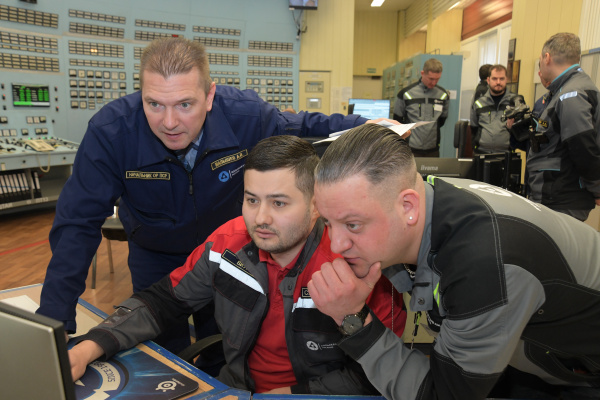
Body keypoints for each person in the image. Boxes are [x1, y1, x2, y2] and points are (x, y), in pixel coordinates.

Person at [37, 37, 386, 351]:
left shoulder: (245, 116)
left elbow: (307, 127)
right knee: (160, 348)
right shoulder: (111, 133)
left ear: (209, 96)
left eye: (184, 105)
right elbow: (77, 223)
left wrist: (376, 129)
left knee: (225, 345)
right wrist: (55, 319)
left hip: (225, 253)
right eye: (154, 104)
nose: (169, 122)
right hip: (154, 254)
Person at [68, 135, 406, 395]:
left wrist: (285, 396)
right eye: (251, 200)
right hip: (235, 389)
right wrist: (88, 348)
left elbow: (375, 374)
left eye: (279, 203)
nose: (260, 218)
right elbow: (162, 302)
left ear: (316, 206)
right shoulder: (227, 244)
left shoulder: (358, 265)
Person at [307, 123, 600, 400]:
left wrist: (354, 319)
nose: (336, 244)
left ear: (408, 206)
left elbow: (444, 395)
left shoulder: (483, 266)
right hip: (535, 355)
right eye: (328, 222)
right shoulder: (432, 195)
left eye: (353, 225)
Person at [527, 32, 600, 221]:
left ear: (547, 58)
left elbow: (582, 145)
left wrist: (597, 189)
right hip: (554, 195)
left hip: (562, 199)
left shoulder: (571, 94)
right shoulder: (564, 91)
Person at [393, 58, 449, 157]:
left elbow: (442, 120)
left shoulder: (443, 95)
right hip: (410, 148)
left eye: (437, 79)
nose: (434, 82)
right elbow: (397, 120)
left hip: (433, 149)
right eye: (431, 79)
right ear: (422, 73)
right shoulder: (406, 94)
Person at [469, 64, 521, 154]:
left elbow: (520, 130)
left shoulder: (515, 102)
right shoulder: (479, 102)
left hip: (506, 154)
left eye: (501, 79)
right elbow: (474, 127)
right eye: (494, 79)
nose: (498, 82)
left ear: (506, 79)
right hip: (481, 153)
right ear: (488, 80)